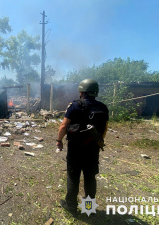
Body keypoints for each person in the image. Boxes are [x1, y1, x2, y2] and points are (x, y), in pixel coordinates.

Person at [56, 79, 109, 216]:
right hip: (93, 149)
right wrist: (99, 142)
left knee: (73, 177)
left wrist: (59, 141)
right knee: (90, 178)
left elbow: (63, 126)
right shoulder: (103, 108)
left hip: (75, 149)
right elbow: (104, 129)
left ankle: (71, 206)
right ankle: (89, 208)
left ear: (81, 91)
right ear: (95, 92)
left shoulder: (75, 106)